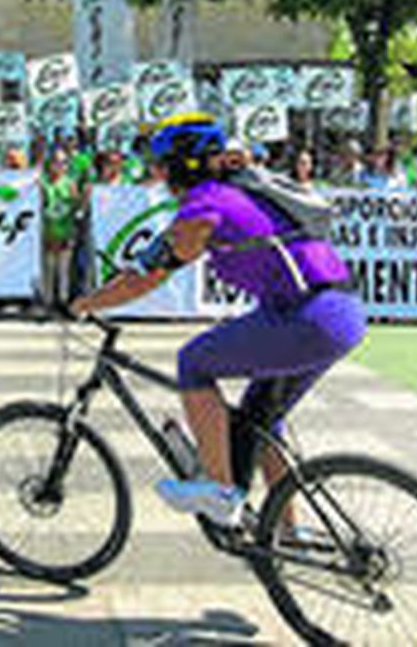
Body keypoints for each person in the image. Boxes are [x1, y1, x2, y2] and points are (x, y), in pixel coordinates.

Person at [70, 113, 366, 527]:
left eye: (161, 163)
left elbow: (146, 278)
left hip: (308, 317)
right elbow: (149, 262)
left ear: (183, 165)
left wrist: (80, 305)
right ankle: (289, 531)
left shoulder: (205, 206)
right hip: (338, 311)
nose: (155, 172)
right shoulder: (233, 190)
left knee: (194, 361)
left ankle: (220, 489)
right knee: (264, 421)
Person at [40, 148, 79, 307]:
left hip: (65, 231)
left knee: (63, 271)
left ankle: (63, 301)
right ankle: (47, 301)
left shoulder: (70, 183)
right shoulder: (42, 182)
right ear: (49, 164)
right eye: (56, 162)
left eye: (63, 162)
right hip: (47, 232)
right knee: (48, 269)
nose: (60, 166)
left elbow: (76, 207)